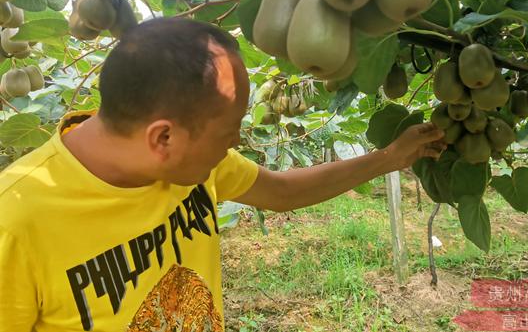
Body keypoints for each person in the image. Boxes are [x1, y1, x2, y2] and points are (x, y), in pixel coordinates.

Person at [0, 17, 445, 332]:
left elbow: (281, 192)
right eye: (227, 136)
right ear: (163, 138)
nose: (234, 145)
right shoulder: (16, 222)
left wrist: (389, 157)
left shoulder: (192, 163)